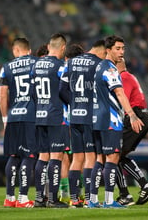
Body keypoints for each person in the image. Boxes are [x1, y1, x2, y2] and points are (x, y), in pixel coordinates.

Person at [89, 35, 144, 208]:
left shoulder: (98, 67)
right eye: (117, 49)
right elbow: (120, 93)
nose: (121, 52)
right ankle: (109, 200)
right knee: (112, 159)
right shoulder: (111, 69)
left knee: (100, 160)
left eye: (123, 48)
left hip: (97, 119)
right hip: (110, 119)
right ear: (108, 50)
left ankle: (92, 200)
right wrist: (132, 116)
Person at [59, 41, 105, 207]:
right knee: (90, 157)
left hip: (74, 117)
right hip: (90, 116)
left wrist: (73, 103)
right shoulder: (98, 64)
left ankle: (74, 198)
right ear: (102, 52)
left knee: (77, 158)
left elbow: (61, 89)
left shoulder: (70, 62)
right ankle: (88, 198)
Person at [0, 37, 38, 208]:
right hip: (30, 116)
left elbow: (2, 95)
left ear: (15, 51)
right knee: (28, 156)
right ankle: (23, 198)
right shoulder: (37, 63)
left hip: (13, 116)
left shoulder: (6, 67)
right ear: (29, 50)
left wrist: (5, 119)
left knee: (13, 156)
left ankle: (9, 197)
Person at [31, 33, 68, 208]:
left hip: (39, 115)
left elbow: (31, 92)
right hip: (56, 115)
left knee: (42, 156)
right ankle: (53, 199)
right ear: (62, 48)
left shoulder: (36, 65)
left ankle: (39, 198)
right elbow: (65, 90)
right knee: (56, 156)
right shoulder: (61, 66)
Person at [114, 58, 148, 206]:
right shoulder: (130, 76)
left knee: (113, 155)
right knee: (118, 155)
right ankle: (141, 187)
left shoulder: (123, 77)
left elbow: (122, 100)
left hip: (135, 117)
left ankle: (129, 193)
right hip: (141, 116)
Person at [58, 43, 86, 205]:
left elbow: (61, 91)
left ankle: (65, 193)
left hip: (61, 118)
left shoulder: (62, 69)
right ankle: (80, 193)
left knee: (63, 158)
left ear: (67, 58)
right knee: (81, 156)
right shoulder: (83, 70)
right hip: (79, 116)